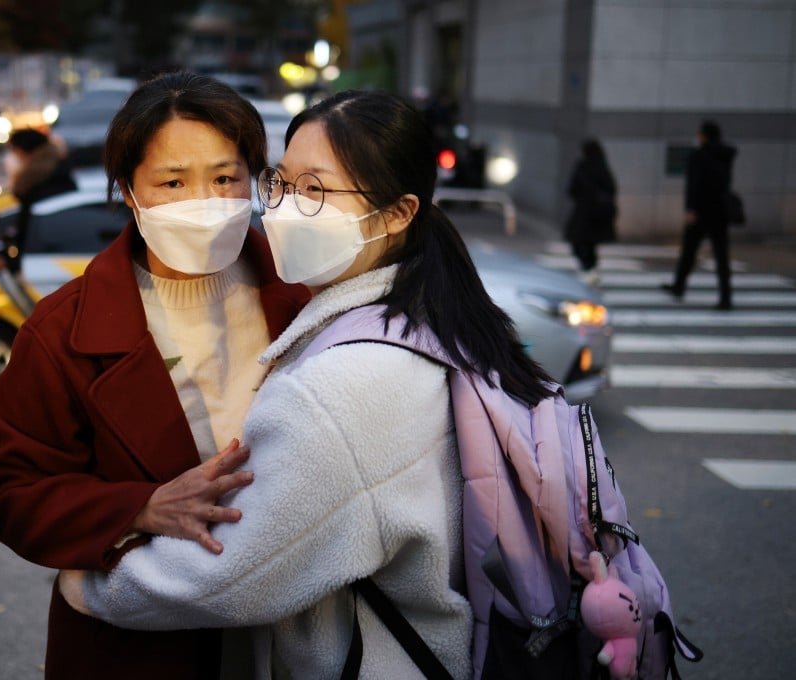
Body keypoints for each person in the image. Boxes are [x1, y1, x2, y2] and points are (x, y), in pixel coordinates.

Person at [58, 90, 556, 678]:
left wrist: (86, 586)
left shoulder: (337, 386)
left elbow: (235, 573)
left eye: (315, 190)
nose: (284, 209)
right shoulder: (426, 314)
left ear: (397, 214)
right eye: (283, 183)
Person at [0, 71, 310, 679]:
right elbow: (12, 497)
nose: (203, 201)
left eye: (224, 177)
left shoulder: (302, 296)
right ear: (128, 193)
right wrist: (139, 507)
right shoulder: (62, 335)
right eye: (172, 182)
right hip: (140, 653)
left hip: (295, 638)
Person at [662, 120, 738, 310]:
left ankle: (679, 286)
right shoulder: (725, 155)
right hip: (719, 211)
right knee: (721, 256)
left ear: (704, 135)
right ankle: (725, 296)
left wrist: (690, 209)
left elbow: (694, 185)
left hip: (701, 211)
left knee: (689, 251)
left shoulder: (699, 155)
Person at [0, 128, 77, 275]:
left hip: (48, 263)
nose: (10, 159)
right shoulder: (54, 174)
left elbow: (31, 230)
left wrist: (11, 260)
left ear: (27, 153)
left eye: (14, 151)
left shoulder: (40, 185)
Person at [564, 138, 617, 286]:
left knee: (580, 243)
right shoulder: (602, 166)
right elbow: (611, 189)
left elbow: (572, 189)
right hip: (596, 216)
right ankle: (590, 270)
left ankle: (588, 270)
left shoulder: (583, 166)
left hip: (586, 214)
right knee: (589, 245)